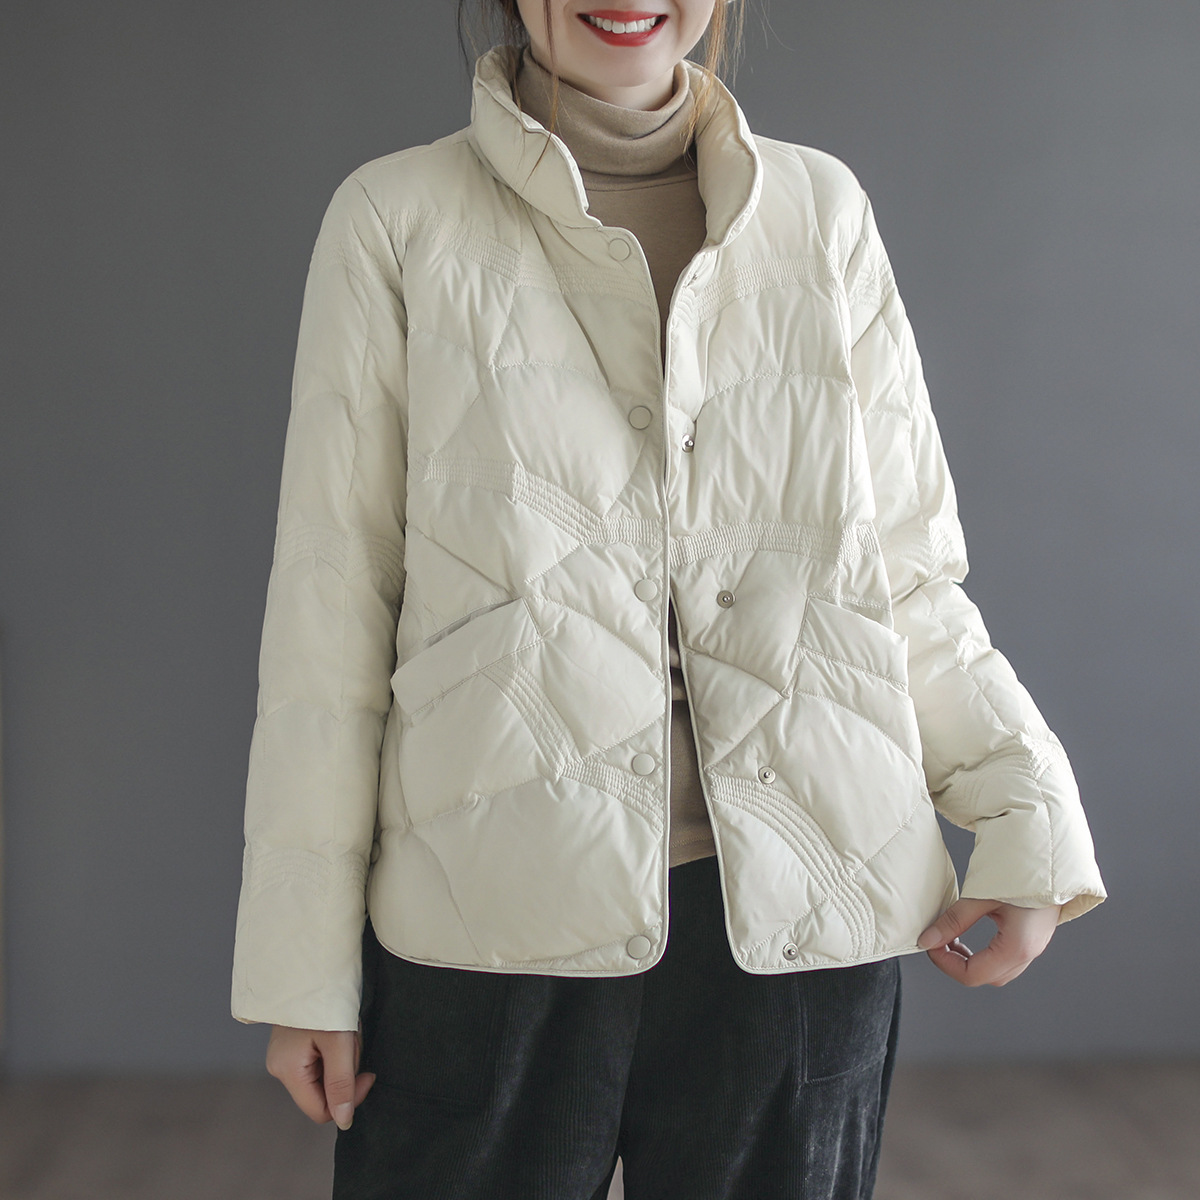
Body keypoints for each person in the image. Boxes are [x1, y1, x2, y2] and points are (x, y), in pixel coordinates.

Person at [231, 2, 1107, 1197]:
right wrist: (302, 965)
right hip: (488, 916)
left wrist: (1026, 813)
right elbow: (331, 611)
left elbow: (904, 571)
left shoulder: (820, 211)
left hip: (803, 912)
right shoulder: (396, 218)